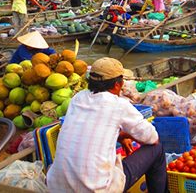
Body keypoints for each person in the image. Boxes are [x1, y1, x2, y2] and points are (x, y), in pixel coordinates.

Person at [47, 57, 167, 193]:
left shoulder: (77, 98)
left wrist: (120, 136)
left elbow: (90, 129)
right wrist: (128, 134)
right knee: (157, 149)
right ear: (117, 84)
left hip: (57, 187)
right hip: (97, 189)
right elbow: (152, 138)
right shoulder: (119, 105)